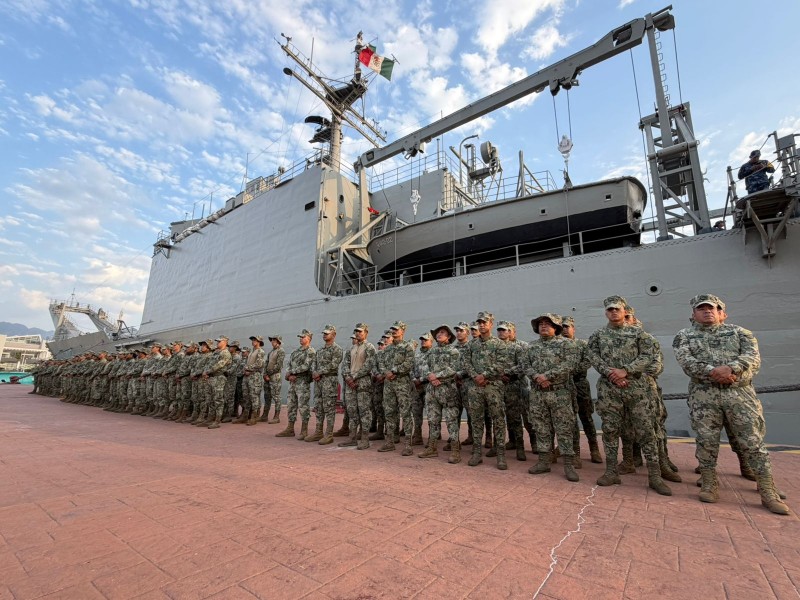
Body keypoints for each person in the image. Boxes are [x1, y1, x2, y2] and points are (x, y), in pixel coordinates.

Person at [672, 294, 789, 514]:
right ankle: (709, 482)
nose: (708, 311)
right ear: (693, 314)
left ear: (723, 314)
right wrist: (714, 372)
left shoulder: (741, 333)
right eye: (702, 308)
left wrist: (731, 369)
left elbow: (753, 359)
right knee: (706, 440)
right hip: (704, 396)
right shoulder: (684, 336)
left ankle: (767, 489)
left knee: (753, 441)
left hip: (740, 394)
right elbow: (687, 362)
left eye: (713, 308)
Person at [588, 296, 672, 496]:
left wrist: (626, 371)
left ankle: (655, 476)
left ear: (624, 311)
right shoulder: (598, 335)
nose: (613, 312)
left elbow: (648, 356)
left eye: (617, 309)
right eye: (610, 309)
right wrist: (611, 374)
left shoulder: (639, 334)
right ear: (606, 313)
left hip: (637, 389)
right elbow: (592, 356)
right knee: (610, 430)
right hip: (610, 389)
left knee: (646, 430)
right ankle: (611, 471)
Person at [526, 313, 580, 482]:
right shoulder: (531, 346)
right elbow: (525, 365)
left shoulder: (566, 344)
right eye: (541, 323)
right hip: (538, 394)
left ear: (556, 327)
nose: (543, 326)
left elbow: (570, 364)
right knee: (541, 427)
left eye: (548, 323)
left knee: (564, 428)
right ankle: (544, 461)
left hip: (559, 393)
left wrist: (547, 376)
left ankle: (568, 465)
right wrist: (537, 377)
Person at [464, 311, 507, 470]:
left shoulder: (499, 344)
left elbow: (501, 364)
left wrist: (485, 375)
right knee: (476, 420)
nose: (482, 325)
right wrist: (475, 376)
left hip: (493, 386)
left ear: (491, 324)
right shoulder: (471, 344)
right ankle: (477, 453)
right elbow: (466, 362)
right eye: (479, 322)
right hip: (475, 387)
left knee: (498, 419)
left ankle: (501, 455)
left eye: (485, 322)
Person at [418, 325, 460, 462]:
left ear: (449, 337)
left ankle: (455, 451)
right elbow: (423, 366)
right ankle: (432, 448)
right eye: (437, 333)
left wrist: (437, 376)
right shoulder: (431, 351)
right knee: (432, 419)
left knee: (451, 420)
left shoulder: (453, 351)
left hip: (447, 389)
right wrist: (430, 376)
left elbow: (453, 368)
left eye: (442, 332)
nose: (439, 334)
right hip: (432, 390)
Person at [378, 321, 415, 456]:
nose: (394, 331)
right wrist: (386, 372)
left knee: (405, 413)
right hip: (389, 384)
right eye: (392, 329)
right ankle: (390, 441)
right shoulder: (388, 349)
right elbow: (381, 363)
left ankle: (408, 445)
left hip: (402, 383)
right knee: (389, 412)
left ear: (403, 331)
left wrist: (394, 371)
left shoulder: (407, 347)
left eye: (396, 329)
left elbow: (409, 363)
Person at [340, 323, 377, 449]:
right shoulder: (351, 349)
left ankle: (365, 439)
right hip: (350, 384)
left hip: (363, 383)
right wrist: (348, 377)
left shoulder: (369, 347)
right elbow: (345, 365)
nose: (358, 333)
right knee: (351, 412)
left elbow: (369, 365)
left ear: (366, 333)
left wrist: (354, 377)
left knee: (364, 411)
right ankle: (352, 438)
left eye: (360, 331)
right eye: (356, 331)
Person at [276, 329, 316, 439]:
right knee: (291, 405)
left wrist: (292, 372)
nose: (301, 339)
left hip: (302, 382)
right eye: (300, 337)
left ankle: (304, 430)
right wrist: (289, 374)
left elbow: (306, 366)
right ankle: (290, 428)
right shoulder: (296, 351)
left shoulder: (311, 351)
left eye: (303, 337)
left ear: (309, 338)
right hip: (293, 382)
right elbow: (289, 364)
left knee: (303, 406)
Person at [309, 324, 343, 444]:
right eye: (324, 333)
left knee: (329, 408)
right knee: (318, 406)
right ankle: (318, 432)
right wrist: (314, 372)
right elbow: (314, 363)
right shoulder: (320, 350)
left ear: (333, 335)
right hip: (319, 381)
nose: (324, 335)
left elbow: (334, 365)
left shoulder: (337, 349)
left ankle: (329, 434)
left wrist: (319, 372)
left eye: (327, 333)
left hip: (329, 381)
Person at [263, 335, 285, 423]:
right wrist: (265, 374)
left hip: (275, 376)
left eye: (274, 340)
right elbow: (266, 363)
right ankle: (265, 415)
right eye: (271, 340)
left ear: (278, 342)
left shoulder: (281, 351)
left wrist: (269, 374)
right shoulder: (271, 352)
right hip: (267, 376)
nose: (272, 342)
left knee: (276, 397)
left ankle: (276, 417)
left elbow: (278, 365)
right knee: (267, 396)